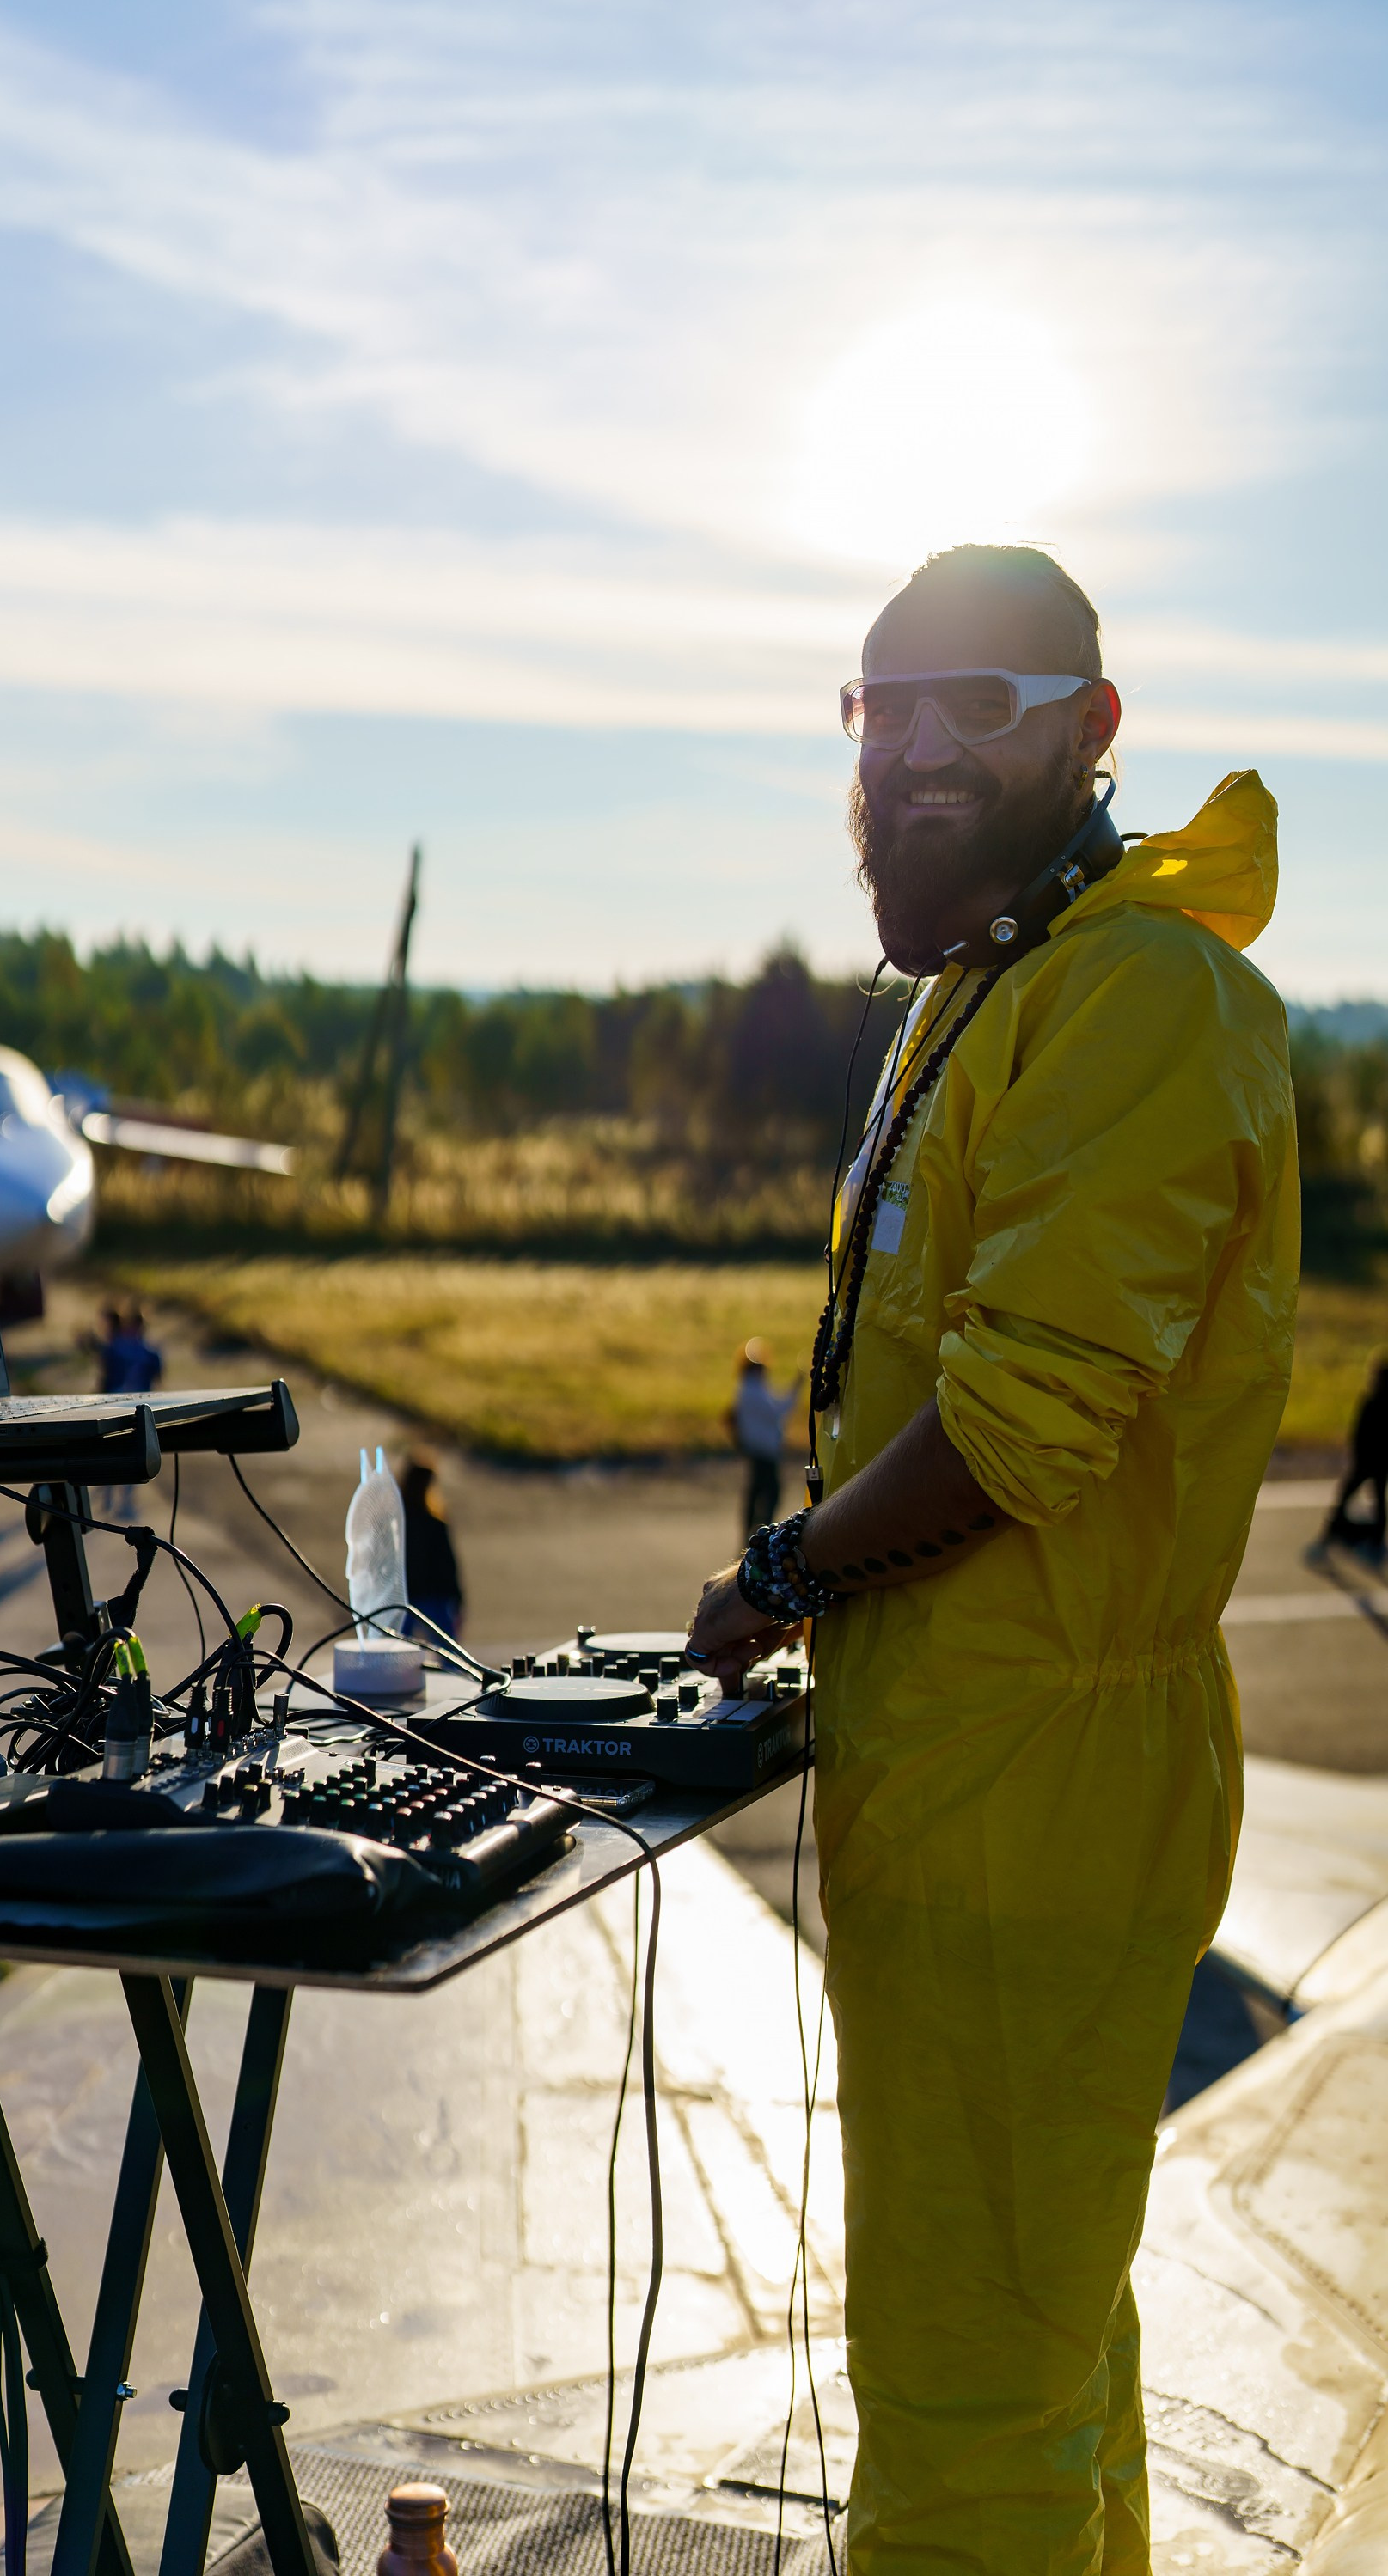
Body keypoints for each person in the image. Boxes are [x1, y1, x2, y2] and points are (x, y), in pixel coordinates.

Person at [688, 543, 1297, 2574]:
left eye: (982, 703)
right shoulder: (992, 988)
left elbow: (1025, 1418)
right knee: (1040, 2342)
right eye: (885, 708)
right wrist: (825, 1608)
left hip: (1038, 1782)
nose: (917, 749)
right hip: (954, 1756)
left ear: (1091, 733)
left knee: (961, 2398)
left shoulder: (1138, 991)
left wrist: (784, 1564)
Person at [727, 1338, 800, 1539]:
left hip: (755, 1448)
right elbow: (778, 1411)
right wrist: (797, 1386)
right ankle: (761, 1533)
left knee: (756, 1491)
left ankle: (750, 1534)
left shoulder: (746, 1389)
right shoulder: (754, 1391)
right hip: (764, 1450)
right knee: (771, 1492)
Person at [1321, 1362, 1388, 1559]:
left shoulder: (1373, 1401)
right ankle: (1338, 1529)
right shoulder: (1371, 1400)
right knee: (1363, 1496)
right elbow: (1358, 1432)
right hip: (1372, 1461)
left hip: (1372, 1461)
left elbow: (1359, 1432)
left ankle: (1336, 1530)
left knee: (1356, 1495)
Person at [401, 1449, 464, 1645]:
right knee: (451, 1656)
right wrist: (457, 1599)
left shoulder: (397, 1520)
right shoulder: (434, 1521)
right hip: (432, 1598)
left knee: (396, 1653)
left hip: (406, 1596)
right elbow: (448, 1563)